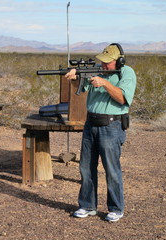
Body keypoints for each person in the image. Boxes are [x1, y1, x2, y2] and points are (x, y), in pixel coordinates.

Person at [65, 43, 136, 222]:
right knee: (86, 168)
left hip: (111, 126)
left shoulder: (127, 73)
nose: (103, 66)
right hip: (91, 123)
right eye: (102, 62)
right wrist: (75, 76)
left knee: (111, 169)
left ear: (119, 61)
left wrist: (104, 82)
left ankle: (116, 208)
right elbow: (80, 90)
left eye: (107, 63)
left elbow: (122, 98)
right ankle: (87, 206)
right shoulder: (97, 70)